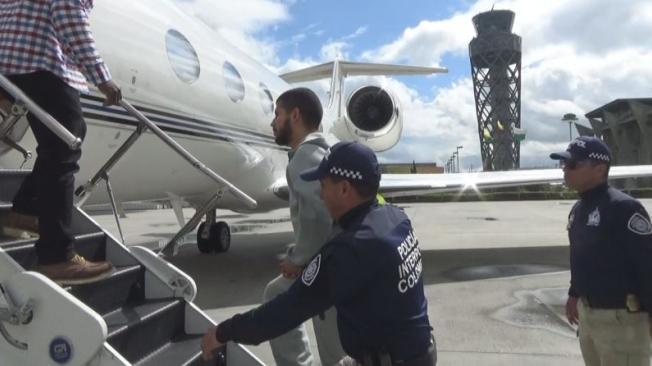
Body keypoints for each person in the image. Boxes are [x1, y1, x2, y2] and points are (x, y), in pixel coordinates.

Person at [201, 141, 436, 366]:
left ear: (344, 188)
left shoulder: (350, 249)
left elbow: (284, 313)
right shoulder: (395, 218)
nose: (321, 196)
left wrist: (223, 332)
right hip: (415, 353)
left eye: (323, 186)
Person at [0, 0, 121, 284]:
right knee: (65, 149)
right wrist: (103, 79)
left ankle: (25, 211)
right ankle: (57, 258)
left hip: (11, 63)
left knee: (58, 147)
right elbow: (70, 17)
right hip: (40, 64)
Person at [550, 136, 652, 366]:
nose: (565, 169)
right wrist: (574, 294)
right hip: (589, 316)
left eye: (573, 164)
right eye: (563, 164)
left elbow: (647, 263)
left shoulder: (624, 208)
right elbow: (582, 256)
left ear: (599, 169)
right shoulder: (578, 209)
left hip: (621, 321)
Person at [266, 87, 347, 366]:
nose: (273, 122)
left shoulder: (304, 156)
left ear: (295, 115)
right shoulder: (324, 151)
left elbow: (318, 216)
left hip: (329, 264)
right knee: (276, 293)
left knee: (336, 353)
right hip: (335, 255)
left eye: (277, 114)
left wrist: (297, 260)